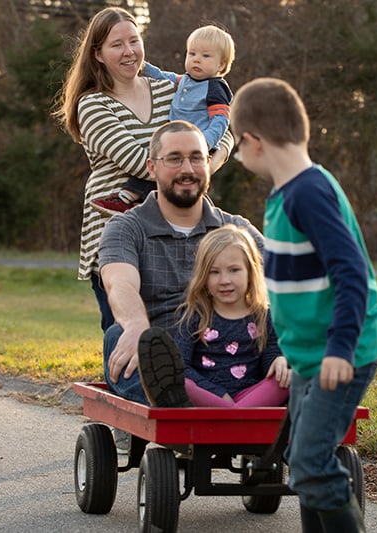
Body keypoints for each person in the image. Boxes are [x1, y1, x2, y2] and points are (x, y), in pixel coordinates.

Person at [230, 77, 377, 533]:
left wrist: (340, 347)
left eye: (238, 149)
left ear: (253, 142)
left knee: (312, 463)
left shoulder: (308, 193)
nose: (239, 159)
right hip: (309, 360)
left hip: (341, 355)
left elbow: (351, 272)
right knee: (304, 465)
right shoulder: (288, 193)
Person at [51, 7, 234, 332]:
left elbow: (226, 133)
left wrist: (207, 161)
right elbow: (138, 161)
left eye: (134, 41)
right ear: (98, 54)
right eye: (116, 45)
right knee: (126, 334)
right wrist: (198, 165)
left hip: (171, 232)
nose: (129, 52)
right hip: (115, 231)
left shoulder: (168, 91)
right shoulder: (94, 104)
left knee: (184, 337)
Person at [98, 120, 261, 406]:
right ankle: (177, 401)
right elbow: (119, 283)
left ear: (208, 163)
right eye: (174, 159)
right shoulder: (126, 228)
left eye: (196, 158)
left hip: (232, 355)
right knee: (118, 334)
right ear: (152, 167)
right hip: (163, 356)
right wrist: (136, 325)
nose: (187, 169)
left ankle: (299, 406)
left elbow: (287, 277)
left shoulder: (234, 230)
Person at [91, 23, 235, 216]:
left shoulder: (215, 88)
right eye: (192, 54)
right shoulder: (185, 81)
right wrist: (142, 65)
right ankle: (128, 199)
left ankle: (126, 199)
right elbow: (164, 76)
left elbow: (222, 123)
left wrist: (205, 146)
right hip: (175, 145)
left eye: (205, 56)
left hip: (196, 145)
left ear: (221, 65)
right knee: (159, 162)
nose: (196, 60)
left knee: (162, 162)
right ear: (98, 54)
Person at [170, 224, 290, 407]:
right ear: (203, 276)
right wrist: (220, 396)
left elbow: (270, 353)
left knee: (289, 378)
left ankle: (231, 417)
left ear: (250, 272)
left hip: (251, 396)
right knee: (180, 382)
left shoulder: (263, 314)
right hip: (208, 398)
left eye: (234, 270)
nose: (225, 280)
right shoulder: (195, 315)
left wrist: (277, 360)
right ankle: (236, 417)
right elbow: (182, 365)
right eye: (214, 272)